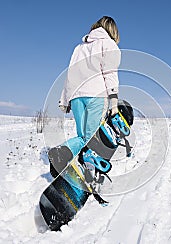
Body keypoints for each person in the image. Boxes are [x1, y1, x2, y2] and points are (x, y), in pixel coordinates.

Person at [49, 16, 121, 175]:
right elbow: (109, 73)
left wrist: (65, 99)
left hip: (76, 96)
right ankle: (89, 173)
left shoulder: (79, 48)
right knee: (93, 139)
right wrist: (114, 104)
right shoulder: (108, 44)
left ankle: (61, 153)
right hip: (96, 94)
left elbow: (71, 74)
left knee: (83, 137)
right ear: (113, 30)